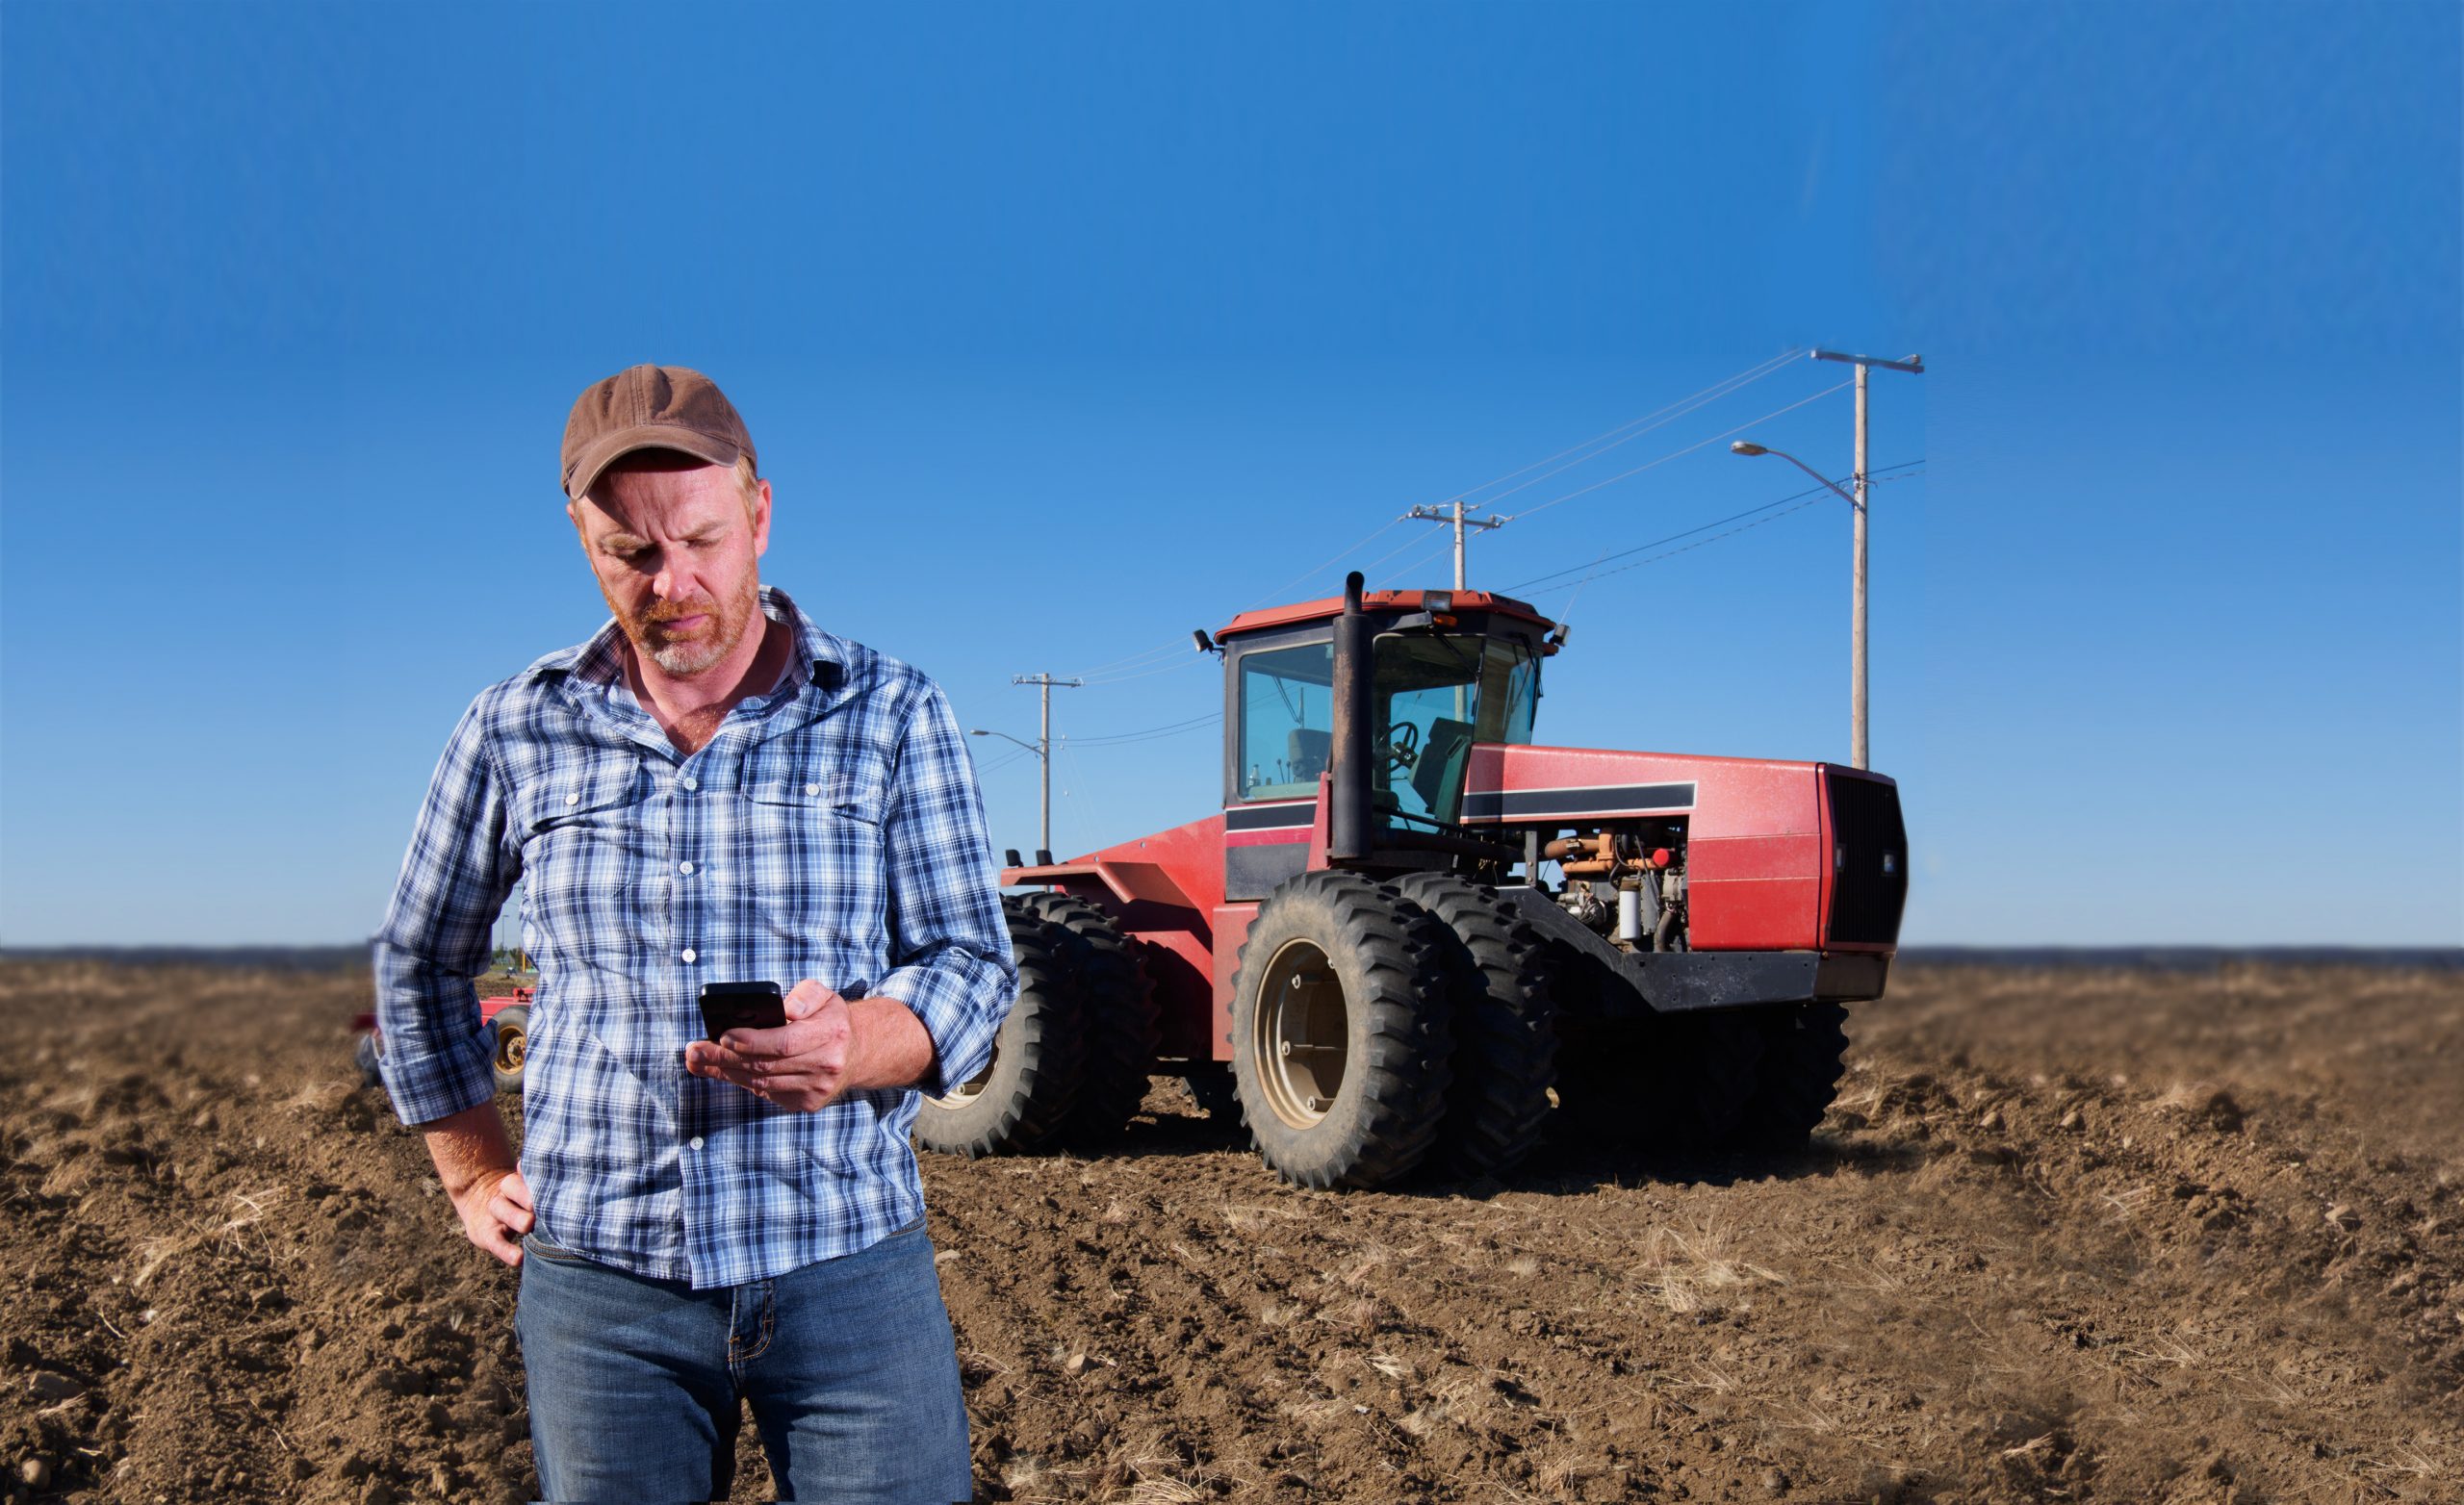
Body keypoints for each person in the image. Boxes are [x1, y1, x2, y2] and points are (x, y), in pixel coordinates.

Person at [373, 364, 1015, 1503]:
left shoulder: (888, 709)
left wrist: (860, 1043)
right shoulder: (517, 726)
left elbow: (971, 960)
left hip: (847, 1260)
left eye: (704, 541)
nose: (675, 583)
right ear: (583, 541)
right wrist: (471, 1170)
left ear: (759, 514)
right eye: (632, 554)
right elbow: (420, 958)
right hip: (601, 1291)